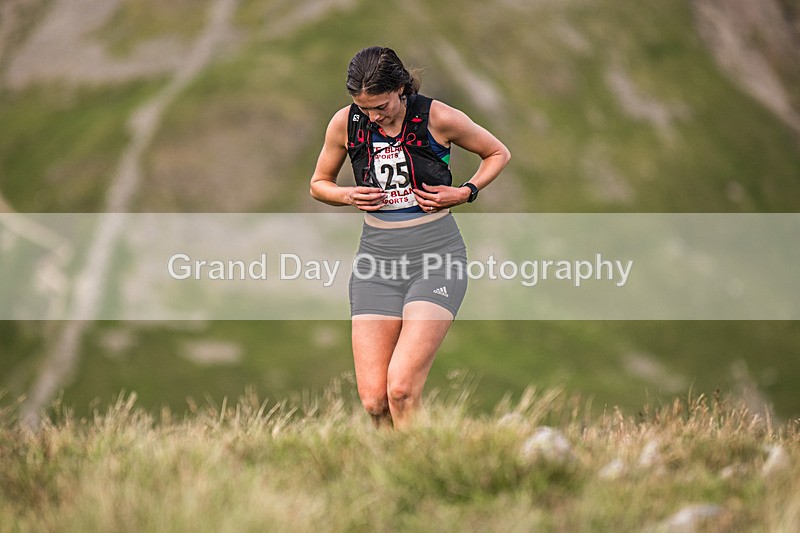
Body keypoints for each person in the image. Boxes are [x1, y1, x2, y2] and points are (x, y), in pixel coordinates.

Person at [309, 46, 510, 429]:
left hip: (436, 259)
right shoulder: (345, 123)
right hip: (376, 263)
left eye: (381, 106)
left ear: (402, 88)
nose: (373, 116)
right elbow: (319, 184)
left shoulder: (439, 117)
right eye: (364, 108)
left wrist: (465, 191)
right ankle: (392, 477)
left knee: (401, 389)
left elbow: (498, 153)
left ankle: (423, 469)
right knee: (374, 401)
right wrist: (348, 195)